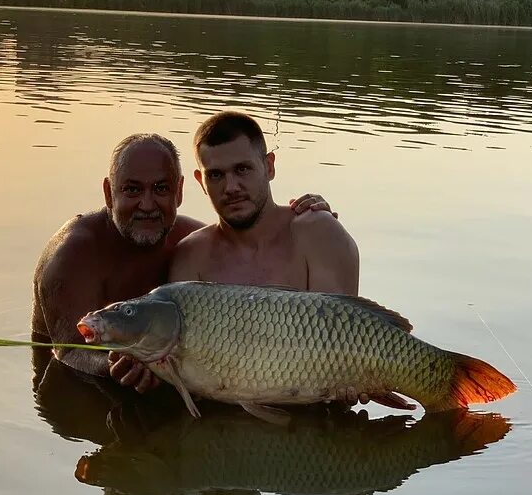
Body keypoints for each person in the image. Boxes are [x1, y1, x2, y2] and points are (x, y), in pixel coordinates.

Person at [32, 132, 333, 392]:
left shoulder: (193, 242)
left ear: (178, 192)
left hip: (166, 371)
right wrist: (114, 365)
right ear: (109, 193)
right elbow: (68, 351)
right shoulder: (73, 253)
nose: (147, 205)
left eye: (161, 189)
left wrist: (309, 222)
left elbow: (256, 274)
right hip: (80, 384)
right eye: (132, 189)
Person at [168, 111, 413, 410]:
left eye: (243, 169)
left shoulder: (318, 233)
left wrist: (351, 385)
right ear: (200, 181)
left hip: (310, 417)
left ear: (269, 166)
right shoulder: (190, 257)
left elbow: (346, 347)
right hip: (224, 427)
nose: (231, 187)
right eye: (216, 175)